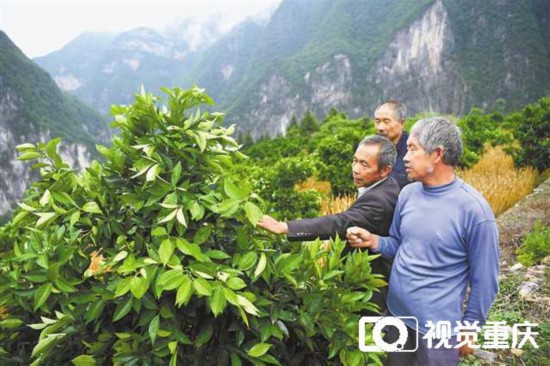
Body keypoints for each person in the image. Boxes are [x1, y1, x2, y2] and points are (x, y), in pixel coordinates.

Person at [347, 117, 499, 365]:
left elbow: (485, 280)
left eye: (412, 149)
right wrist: (374, 240)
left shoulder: (474, 211)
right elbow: (398, 244)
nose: (404, 157)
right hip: (396, 319)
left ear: (437, 154)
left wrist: (470, 328)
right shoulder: (408, 194)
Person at [257, 135, 400, 312]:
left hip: (370, 289)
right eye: (355, 161)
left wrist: (285, 227)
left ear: (385, 171)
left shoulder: (379, 200)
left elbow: (339, 223)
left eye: (364, 165)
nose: (355, 169)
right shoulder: (386, 185)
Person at [374, 100, 409, 189]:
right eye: (377, 121)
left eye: (386, 121)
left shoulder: (413, 151)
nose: (380, 128)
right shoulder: (371, 148)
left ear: (402, 123)